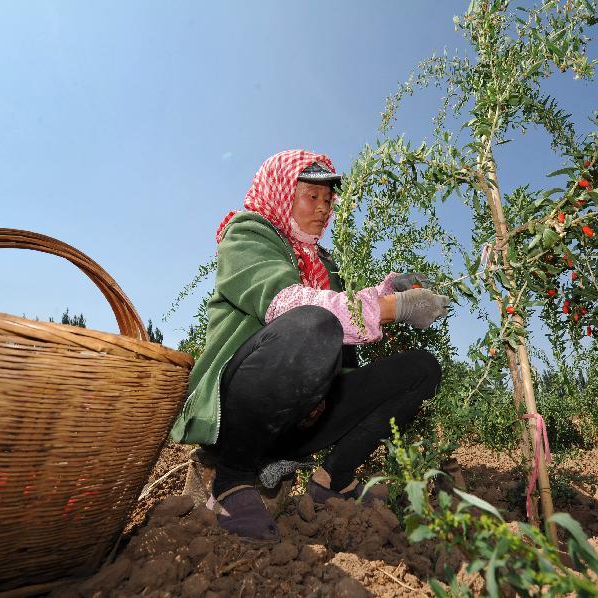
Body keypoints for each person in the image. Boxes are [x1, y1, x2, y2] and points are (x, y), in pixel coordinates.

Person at [170, 149, 449, 542]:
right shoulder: (247, 234)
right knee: (314, 324)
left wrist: (387, 291)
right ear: (283, 193)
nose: (323, 209)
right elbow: (290, 304)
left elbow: (340, 330)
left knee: (420, 369)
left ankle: (332, 479)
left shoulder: (322, 264)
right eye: (312, 196)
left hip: (300, 412)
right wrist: (391, 308)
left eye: (329, 200)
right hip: (242, 406)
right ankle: (230, 482)